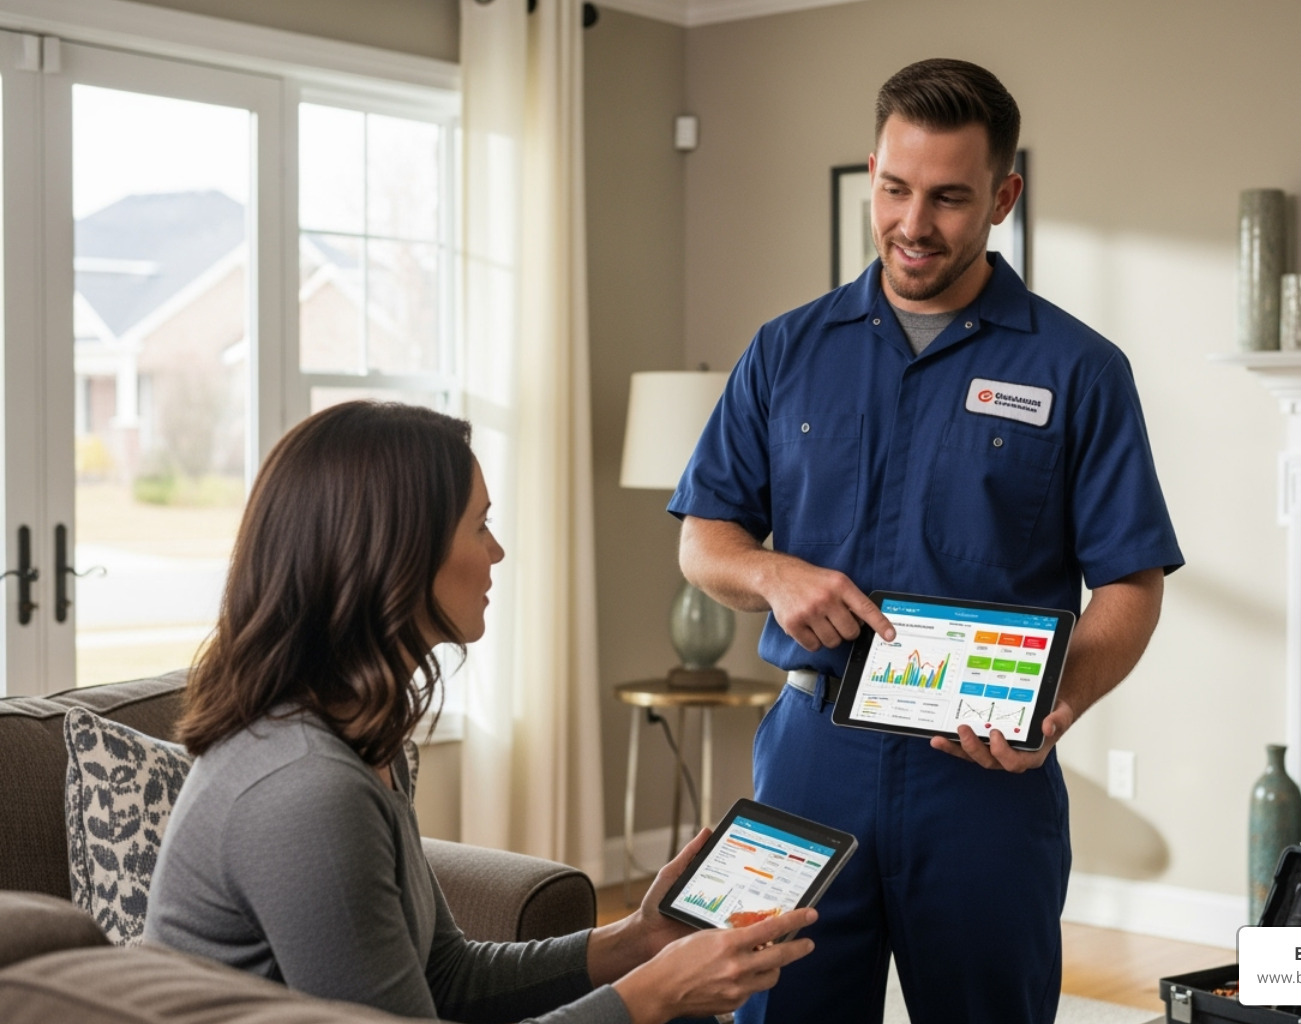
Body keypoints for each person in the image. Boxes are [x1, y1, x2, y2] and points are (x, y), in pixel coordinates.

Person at [668, 58, 1184, 1024]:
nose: (914, 224)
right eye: (896, 190)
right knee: (776, 1009)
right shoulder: (785, 349)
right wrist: (773, 573)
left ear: (1003, 197)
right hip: (809, 761)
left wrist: (1054, 711)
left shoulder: (1082, 370)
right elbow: (705, 539)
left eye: (949, 198)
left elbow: (1130, 585)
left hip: (984, 777)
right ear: (873, 172)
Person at [145, 401, 816, 1024]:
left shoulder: (362, 739)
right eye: (480, 525)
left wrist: (635, 942)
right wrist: (652, 993)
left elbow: (446, 974)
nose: (496, 552)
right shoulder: (306, 790)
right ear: (397, 556)